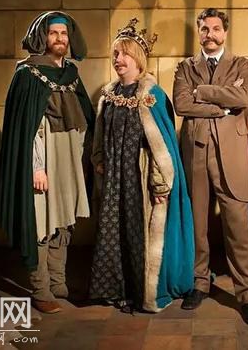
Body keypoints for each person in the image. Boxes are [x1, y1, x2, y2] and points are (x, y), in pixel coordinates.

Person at [89, 18, 194, 313]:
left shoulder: (153, 97)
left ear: (137, 58)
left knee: (139, 235)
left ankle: (141, 292)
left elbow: (163, 148)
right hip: (115, 179)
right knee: (114, 232)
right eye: (115, 54)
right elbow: (99, 135)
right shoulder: (108, 95)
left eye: (124, 53)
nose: (118, 59)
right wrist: (100, 161)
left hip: (140, 179)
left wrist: (160, 185)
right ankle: (115, 289)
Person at [0, 11, 95, 314]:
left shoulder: (71, 74)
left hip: (69, 159)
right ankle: (41, 289)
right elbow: (29, 128)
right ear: (43, 37)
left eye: (64, 33)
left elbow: (84, 120)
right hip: (43, 160)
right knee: (41, 220)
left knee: (64, 217)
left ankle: (58, 281)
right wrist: (36, 167)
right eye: (53, 33)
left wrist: (84, 160)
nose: (60, 38)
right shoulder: (28, 74)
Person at [173, 8, 248, 325]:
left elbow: (243, 98)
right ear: (199, 32)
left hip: (232, 155)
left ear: (224, 32)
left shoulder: (241, 65)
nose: (209, 34)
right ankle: (199, 283)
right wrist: (220, 108)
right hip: (196, 153)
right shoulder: (185, 67)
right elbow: (182, 104)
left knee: (238, 227)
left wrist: (204, 93)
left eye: (215, 29)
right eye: (204, 29)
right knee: (197, 226)